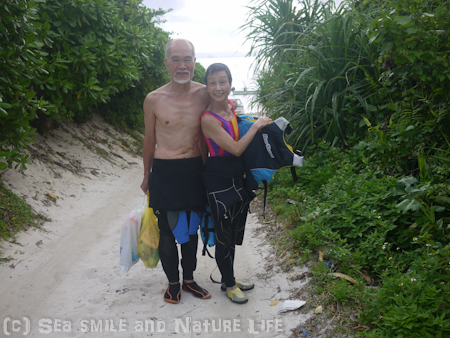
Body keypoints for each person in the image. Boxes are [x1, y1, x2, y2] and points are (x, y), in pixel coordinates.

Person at [140, 38, 211, 304]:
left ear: (194, 61)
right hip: (166, 170)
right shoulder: (153, 99)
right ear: (167, 63)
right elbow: (149, 140)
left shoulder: (205, 93)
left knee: (191, 230)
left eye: (187, 59)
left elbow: (222, 120)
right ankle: (172, 283)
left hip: (194, 169)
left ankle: (189, 279)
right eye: (176, 59)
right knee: (168, 232)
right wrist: (147, 175)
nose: (182, 65)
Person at [200, 63, 271, 304]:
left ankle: (227, 278)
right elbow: (237, 148)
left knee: (233, 233)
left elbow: (239, 128)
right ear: (207, 87)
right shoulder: (208, 120)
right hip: (218, 178)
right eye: (212, 83)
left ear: (230, 84)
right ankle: (229, 285)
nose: (218, 87)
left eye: (222, 82)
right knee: (222, 234)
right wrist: (258, 124)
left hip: (237, 177)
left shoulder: (231, 106)